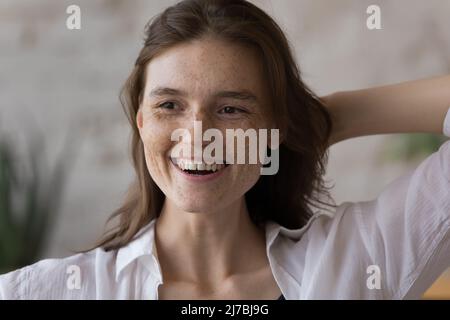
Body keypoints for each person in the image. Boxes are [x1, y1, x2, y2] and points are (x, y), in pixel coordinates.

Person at [1, 0, 449, 300]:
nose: (197, 134)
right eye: (169, 105)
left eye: (232, 108)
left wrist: (325, 119)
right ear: (141, 122)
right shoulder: (59, 289)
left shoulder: (357, 260)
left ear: (273, 126)